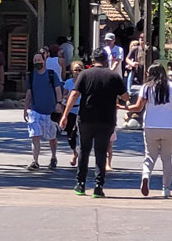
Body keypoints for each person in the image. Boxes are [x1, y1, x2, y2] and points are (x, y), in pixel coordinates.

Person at [60, 48, 129, 198]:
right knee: (101, 151)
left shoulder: (85, 74)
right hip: (106, 119)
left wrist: (65, 114)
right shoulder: (113, 76)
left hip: (86, 118)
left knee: (83, 150)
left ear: (92, 61)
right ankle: (98, 186)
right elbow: (125, 96)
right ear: (106, 61)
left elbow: (74, 94)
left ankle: (81, 184)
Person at [126, 62, 172, 198]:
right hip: (169, 126)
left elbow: (138, 107)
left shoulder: (146, 88)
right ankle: (166, 188)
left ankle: (146, 176)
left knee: (150, 156)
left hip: (151, 126)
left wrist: (123, 107)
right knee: (167, 158)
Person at [24, 50, 63, 170]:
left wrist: (59, 103)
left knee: (52, 138)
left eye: (39, 60)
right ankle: (35, 161)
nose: (37, 62)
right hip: (35, 111)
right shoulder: (31, 77)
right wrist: (26, 108)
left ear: (44, 60)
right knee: (34, 136)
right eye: (35, 60)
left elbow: (58, 90)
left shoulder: (52, 75)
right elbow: (29, 93)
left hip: (50, 112)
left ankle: (53, 157)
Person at [62, 60, 84, 166]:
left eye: (80, 70)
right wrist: (68, 97)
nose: (77, 72)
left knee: (82, 134)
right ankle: (74, 151)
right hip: (71, 110)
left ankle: (81, 155)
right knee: (70, 134)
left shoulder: (85, 82)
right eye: (75, 70)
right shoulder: (68, 83)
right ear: (72, 71)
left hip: (82, 110)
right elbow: (63, 96)